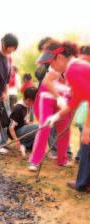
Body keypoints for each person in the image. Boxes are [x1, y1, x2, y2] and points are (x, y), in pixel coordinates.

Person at [42, 41, 90, 193]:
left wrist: (88, 127)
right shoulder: (75, 67)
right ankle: (84, 183)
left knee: (86, 145)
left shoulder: (73, 70)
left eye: (52, 62)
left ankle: (83, 183)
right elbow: (76, 99)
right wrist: (57, 116)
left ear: (61, 58)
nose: (52, 67)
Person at [28, 41, 75, 171]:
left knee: (65, 129)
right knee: (45, 128)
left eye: (52, 60)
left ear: (60, 58)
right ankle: (35, 160)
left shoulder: (72, 66)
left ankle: (62, 159)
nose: (50, 64)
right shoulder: (54, 68)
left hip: (63, 100)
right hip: (47, 99)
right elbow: (47, 81)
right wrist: (58, 97)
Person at [8, 87, 38, 153]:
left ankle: (25, 145)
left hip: (21, 129)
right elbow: (11, 127)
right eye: (29, 101)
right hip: (15, 132)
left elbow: (23, 120)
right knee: (38, 127)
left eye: (33, 101)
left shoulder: (28, 106)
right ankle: (22, 143)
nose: (31, 103)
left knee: (35, 131)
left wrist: (28, 124)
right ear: (24, 97)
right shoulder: (18, 108)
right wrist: (16, 140)